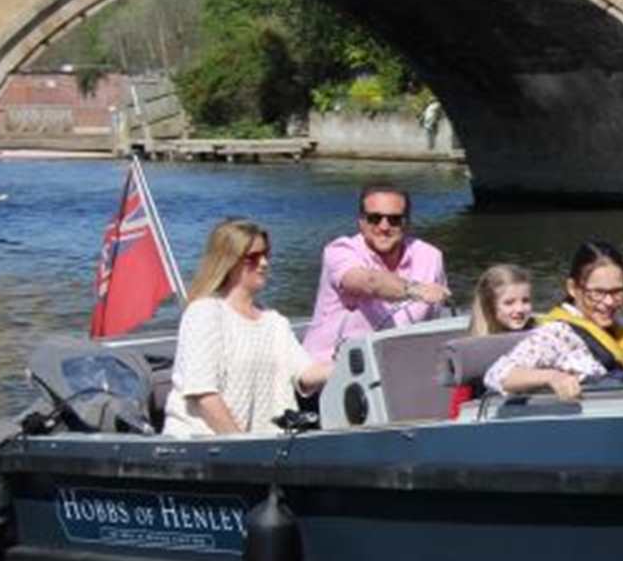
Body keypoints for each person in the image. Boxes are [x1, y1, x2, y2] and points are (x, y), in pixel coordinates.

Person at [162, 219, 331, 438]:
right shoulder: (204, 313)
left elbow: (305, 373)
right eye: (253, 258)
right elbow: (203, 395)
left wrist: (354, 361)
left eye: (266, 255)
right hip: (201, 447)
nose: (264, 264)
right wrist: (241, 443)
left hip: (263, 449)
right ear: (229, 262)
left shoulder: (275, 322)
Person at [302, 183, 449, 360]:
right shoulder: (340, 250)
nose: (384, 227)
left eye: (394, 219)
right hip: (332, 369)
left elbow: (432, 323)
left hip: (397, 366)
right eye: (374, 218)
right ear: (361, 221)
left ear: (407, 222)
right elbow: (368, 282)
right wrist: (414, 290)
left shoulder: (430, 257)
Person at [484, 242, 623, 402]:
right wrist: (553, 377)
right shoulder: (557, 334)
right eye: (598, 292)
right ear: (573, 288)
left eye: (617, 292)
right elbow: (498, 374)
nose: (609, 301)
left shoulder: (619, 331)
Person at [447, 264, 534, 417]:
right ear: (490, 306)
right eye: (509, 303)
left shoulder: (542, 338)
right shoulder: (474, 352)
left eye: (525, 301)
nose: (520, 309)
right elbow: (457, 412)